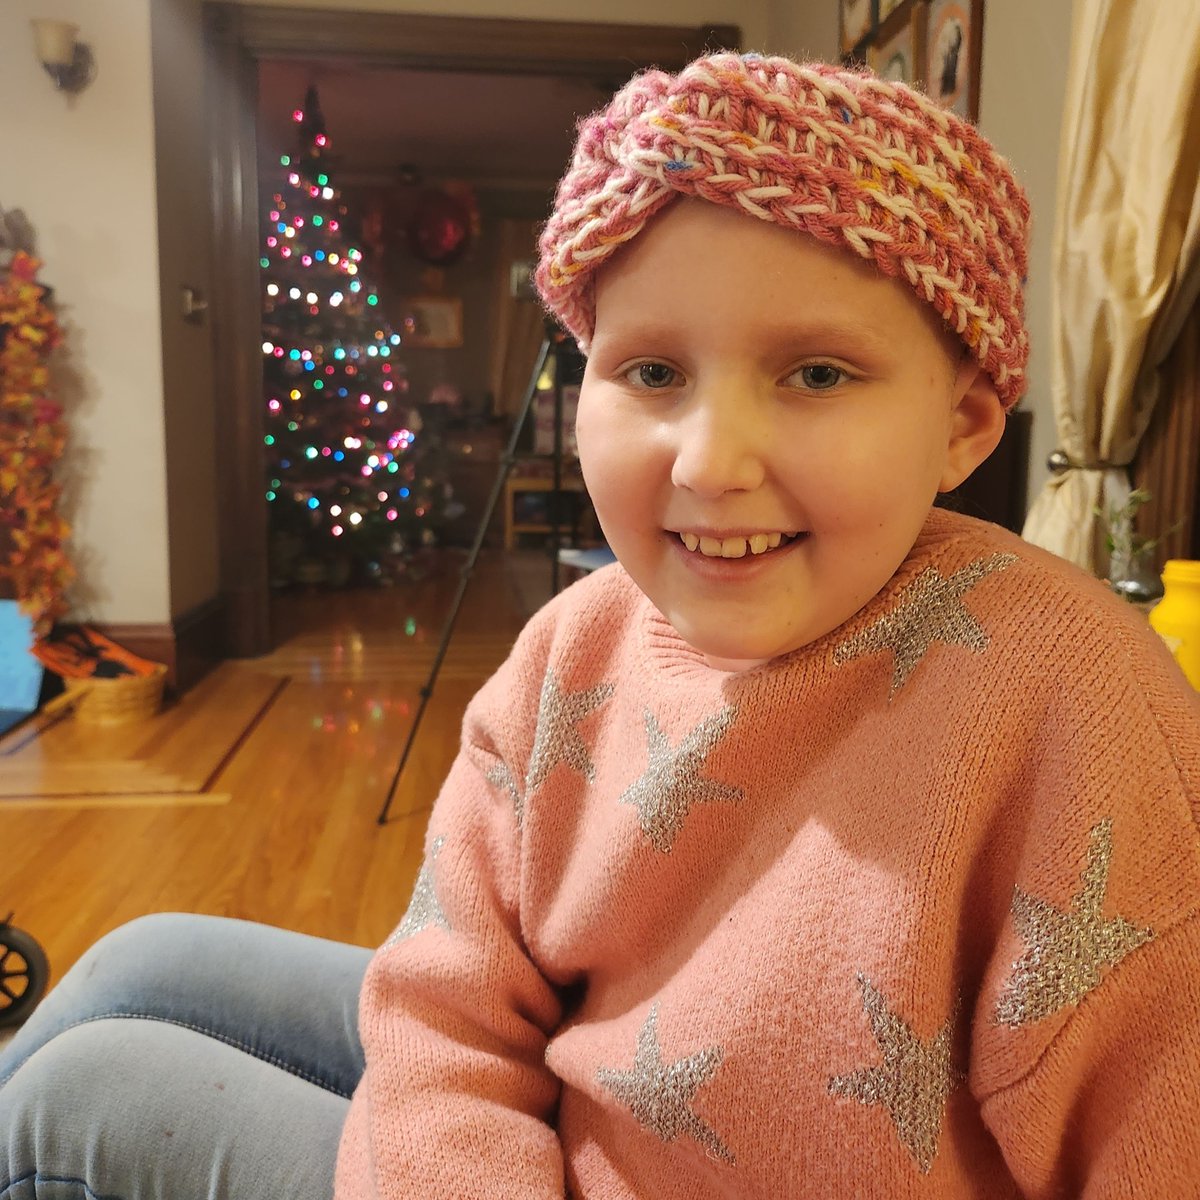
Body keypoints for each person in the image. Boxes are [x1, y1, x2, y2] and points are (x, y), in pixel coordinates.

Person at [3, 51, 1199, 1199]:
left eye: (818, 375)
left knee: (83, 1098)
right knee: (143, 960)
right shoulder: (572, 650)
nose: (710, 464)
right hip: (571, 1121)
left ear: (966, 424)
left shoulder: (1077, 711)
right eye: (653, 373)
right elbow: (449, 1009)